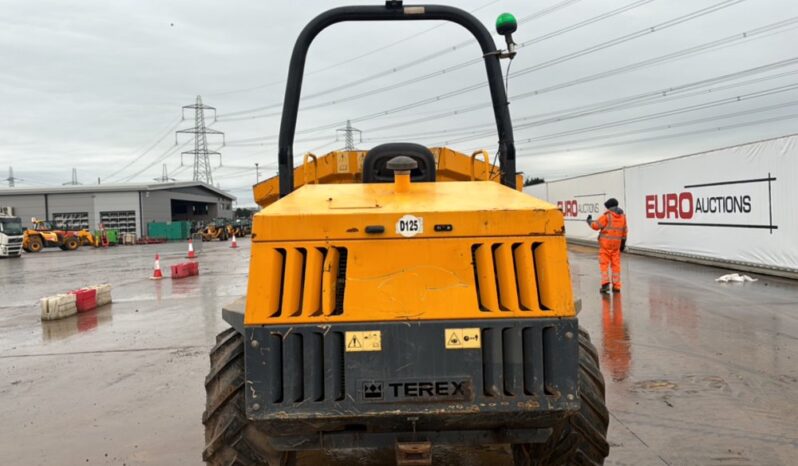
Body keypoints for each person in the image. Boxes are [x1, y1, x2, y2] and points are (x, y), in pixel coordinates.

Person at [586, 198, 627, 294]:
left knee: (604, 265)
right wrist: (622, 245)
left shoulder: (607, 216)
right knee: (616, 266)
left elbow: (595, 226)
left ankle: (605, 284)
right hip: (616, 246)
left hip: (605, 246)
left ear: (609, 207)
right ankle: (617, 286)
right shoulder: (623, 217)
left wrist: (589, 221)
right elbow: (624, 232)